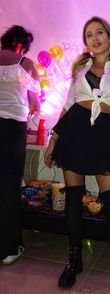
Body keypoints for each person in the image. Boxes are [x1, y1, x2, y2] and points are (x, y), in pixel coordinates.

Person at [44, 16, 110, 293]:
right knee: (73, 200)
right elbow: (68, 105)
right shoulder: (80, 69)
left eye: (99, 32)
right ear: (86, 42)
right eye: (89, 34)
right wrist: (53, 140)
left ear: (109, 37)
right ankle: (74, 259)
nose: (95, 37)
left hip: (103, 133)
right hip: (74, 131)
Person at [0, 25, 40, 264]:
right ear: (21, 45)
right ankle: (9, 248)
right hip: (13, 128)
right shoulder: (25, 64)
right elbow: (35, 104)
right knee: (9, 186)